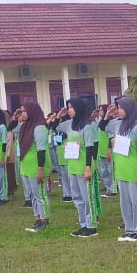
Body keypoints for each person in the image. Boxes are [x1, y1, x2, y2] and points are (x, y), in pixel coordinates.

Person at [112, 97, 137, 241]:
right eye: (118, 108)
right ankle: (128, 229)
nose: (118, 111)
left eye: (121, 108)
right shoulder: (118, 125)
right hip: (121, 169)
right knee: (125, 203)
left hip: (133, 170)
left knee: (136, 201)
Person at [61, 98, 98, 237]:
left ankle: (92, 225)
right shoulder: (70, 124)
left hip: (84, 166)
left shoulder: (87, 126)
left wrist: (88, 167)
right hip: (73, 166)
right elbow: (53, 127)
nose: (69, 110)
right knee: (77, 197)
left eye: (71, 107)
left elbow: (89, 147)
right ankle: (83, 223)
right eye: (68, 107)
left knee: (87, 197)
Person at [16, 103, 52, 232]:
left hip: (37, 166)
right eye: (21, 111)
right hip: (26, 165)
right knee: (32, 195)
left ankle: (45, 220)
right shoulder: (26, 126)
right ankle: (37, 218)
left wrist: (40, 168)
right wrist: (16, 118)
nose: (22, 114)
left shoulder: (40, 127)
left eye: (24, 111)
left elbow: (41, 150)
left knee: (40, 194)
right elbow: (12, 127)